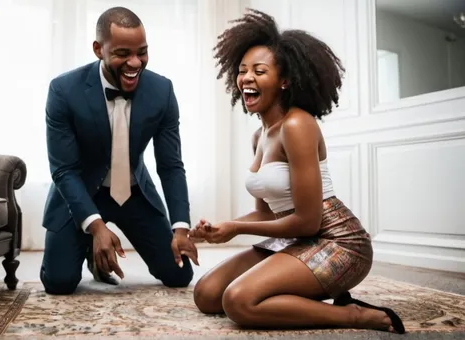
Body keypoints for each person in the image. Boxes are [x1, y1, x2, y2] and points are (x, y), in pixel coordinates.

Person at [189, 9, 405, 334]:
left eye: (259, 71)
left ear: (285, 80)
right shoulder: (259, 136)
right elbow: (266, 215)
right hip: (295, 240)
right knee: (206, 295)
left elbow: (308, 221)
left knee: (238, 301)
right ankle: (290, 287)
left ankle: (354, 315)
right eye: (242, 70)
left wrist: (236, 228)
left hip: (338, 243)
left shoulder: (297, 124)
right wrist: (222, 226)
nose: (246, 77)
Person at [41, 6, 198, 295]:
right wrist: (96, 227)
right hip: (81, 192)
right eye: (123, 53)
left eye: (142, 51)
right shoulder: (64, 90)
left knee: (179, 274)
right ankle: (89, 249)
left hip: (133, 191)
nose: (135, 62)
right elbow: (63, 169)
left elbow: (171, 165)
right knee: (59, 283)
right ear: (99, 49)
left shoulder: (161, 91)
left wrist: (180, 228)